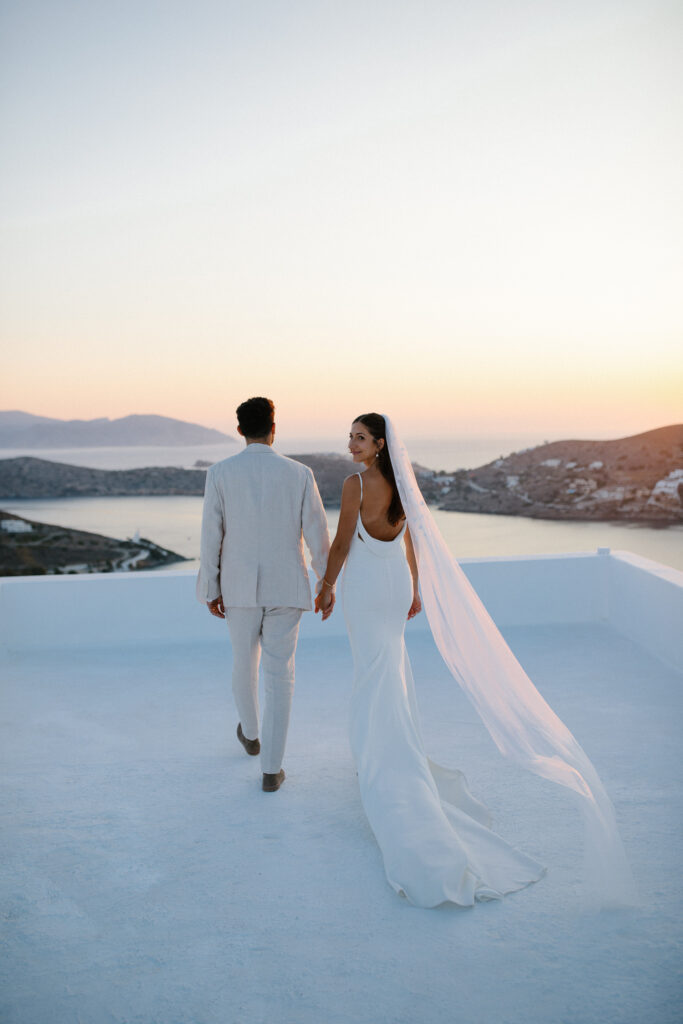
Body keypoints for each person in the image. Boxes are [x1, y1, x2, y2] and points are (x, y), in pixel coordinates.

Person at [316, 413, 634, 908]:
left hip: (364, 589)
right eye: (351, 437)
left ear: (379, 444)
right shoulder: (402, 487)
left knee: (372, 673)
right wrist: (416, 587)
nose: (351, 444)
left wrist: (327, 583)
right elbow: (411, 541)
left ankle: (381, 762)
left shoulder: (355, 484)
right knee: (389, 671)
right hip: (394, 584)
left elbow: (340, 543)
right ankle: (385, 751)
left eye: (359, 437)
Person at [197, 397, 330, 792]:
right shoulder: (300, 473)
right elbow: (318, 536)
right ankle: (271, 770)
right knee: (279, 675)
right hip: (288, 586)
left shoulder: (219, 473)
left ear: (239, 430)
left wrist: (209, 587)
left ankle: (252, 736)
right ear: (275, 427)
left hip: (237, 587)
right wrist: (325, 585)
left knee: (243, 663)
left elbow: (210, 536)